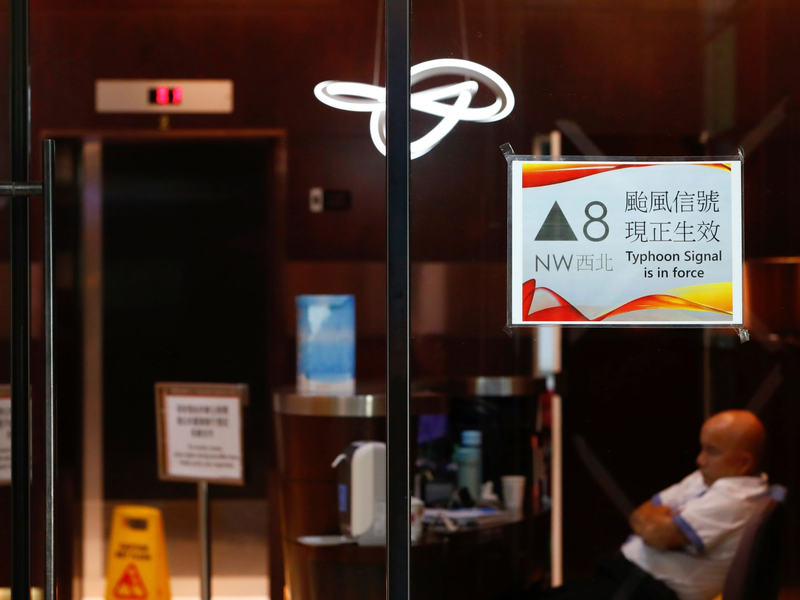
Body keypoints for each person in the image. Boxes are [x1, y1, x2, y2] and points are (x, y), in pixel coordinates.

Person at [540, 409, 768, 600]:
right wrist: (659, 523)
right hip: (626, 574)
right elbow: (641, 512)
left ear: (743, 463)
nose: (700, 460)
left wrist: (662, 522)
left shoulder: (735, 498)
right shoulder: (706, 477)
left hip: (647, 589)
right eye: (702, 448)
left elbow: (659, 534)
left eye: (712, 451)